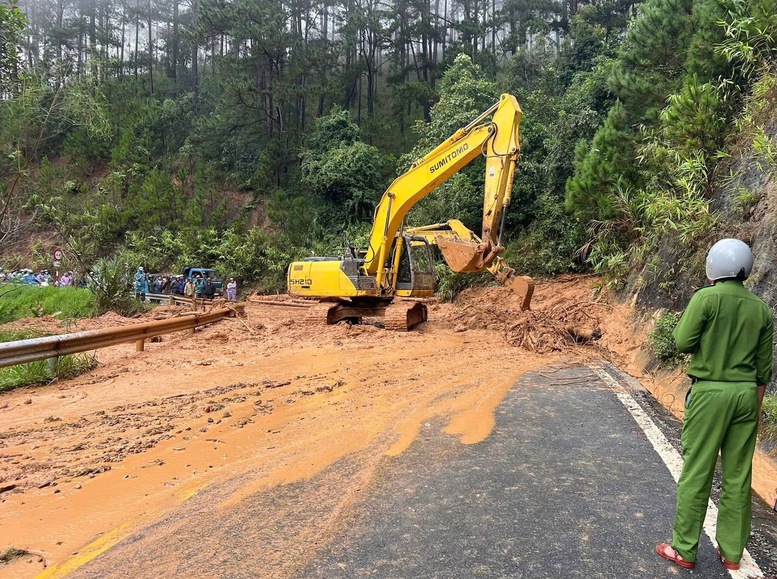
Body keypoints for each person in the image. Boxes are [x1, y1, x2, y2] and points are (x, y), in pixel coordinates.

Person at [656, 238, 773, 572]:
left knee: (698, 471)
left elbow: (681, 341)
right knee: (738, 475)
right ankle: (732, 552)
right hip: (746, 397)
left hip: (709, 395)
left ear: (714, 266)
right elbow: (764, 370)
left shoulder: (705, 298)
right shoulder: (761, 309)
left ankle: (684, 549)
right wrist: (755, 410)